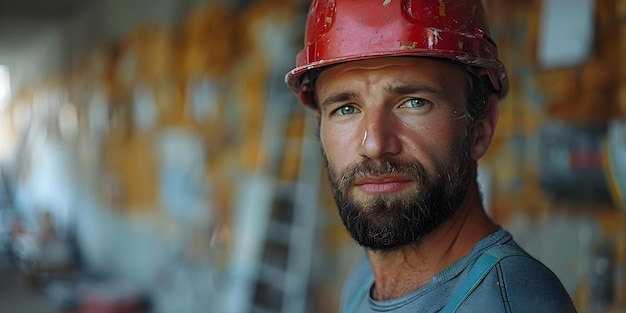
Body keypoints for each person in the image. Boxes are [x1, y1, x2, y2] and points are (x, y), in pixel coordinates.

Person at [284, 0, 577, 312]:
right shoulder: (361, 283)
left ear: (480, 128)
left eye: (413, 102)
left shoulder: (511, 302)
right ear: (320, 128)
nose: (374, 144)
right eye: (345, 109)